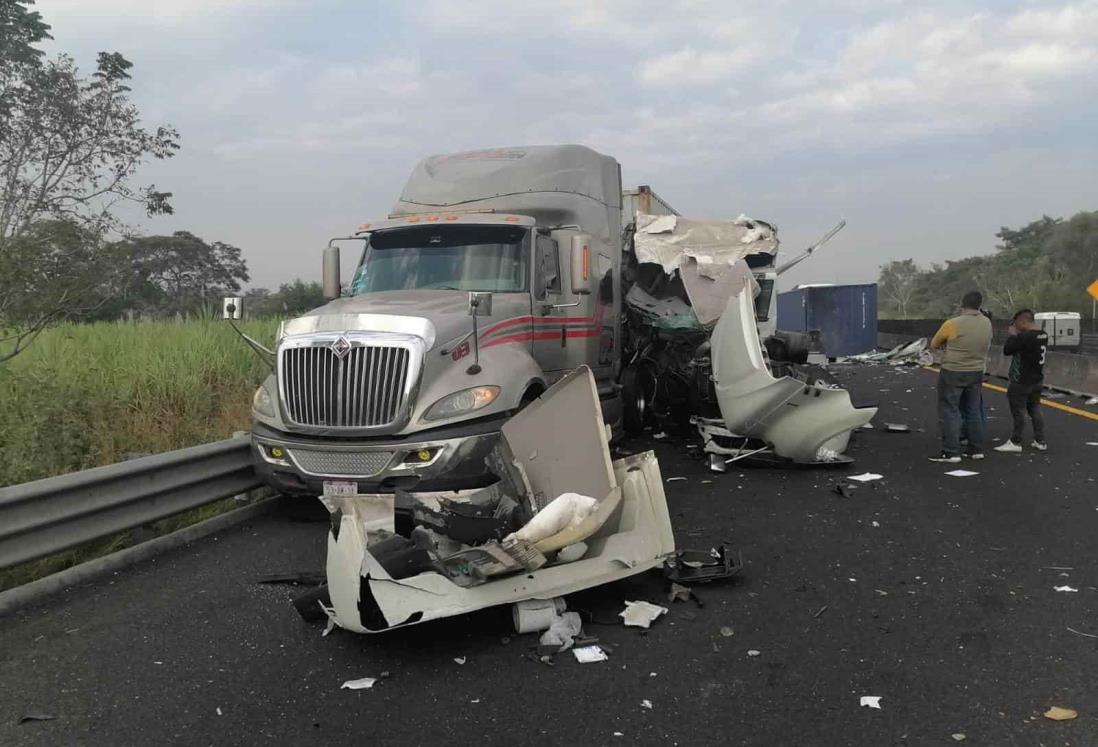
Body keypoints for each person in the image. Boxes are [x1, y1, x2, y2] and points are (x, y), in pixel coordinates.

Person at [928, 291, 993, 463]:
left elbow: (934, 343)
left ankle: (951, 451)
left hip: (953, 371)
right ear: (979, 305)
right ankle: (975, 449)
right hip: (976, 371)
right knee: (973, 410)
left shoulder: (952, 323)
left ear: (961, 304)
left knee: (950, 410)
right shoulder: (987, 323)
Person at [994, 309, 1048, 453]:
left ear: (1023, 321)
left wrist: (1013, 335)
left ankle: (1015, 441)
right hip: (1037, 378)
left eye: (1016, 322)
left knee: (1018, 410)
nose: (1015, 325)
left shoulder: (1024, 337)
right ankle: (1040, 440)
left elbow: (1007, 350)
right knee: (1035, 408)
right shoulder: (1043, 335)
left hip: (1021, 379)